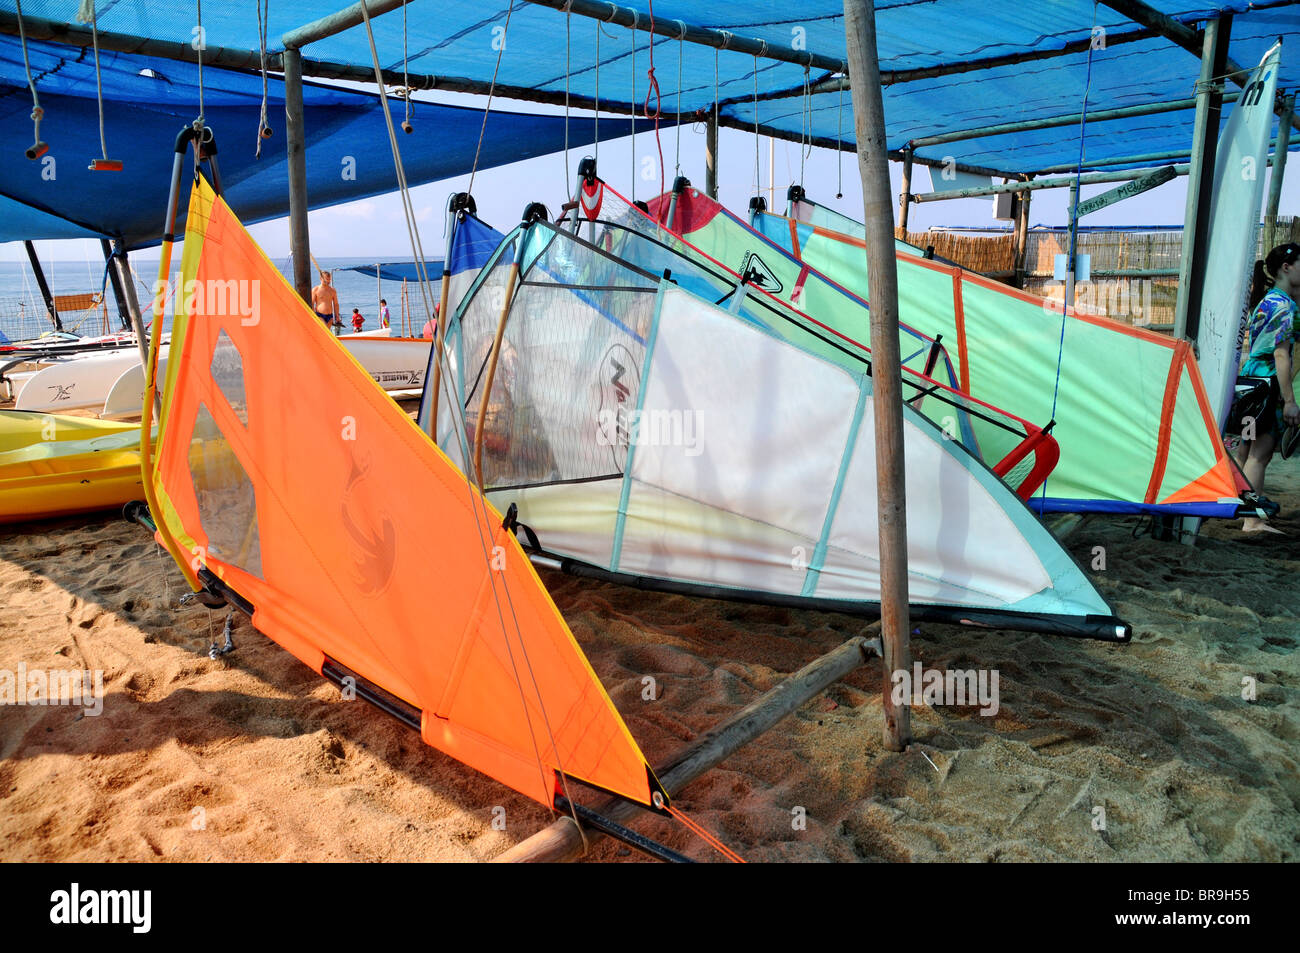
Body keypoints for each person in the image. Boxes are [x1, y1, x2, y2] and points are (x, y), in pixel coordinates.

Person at [1235, 241, 1300, 533]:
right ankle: (1252, 520)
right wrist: (1289, 401)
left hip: (1251, 379)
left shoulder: (1267, 300)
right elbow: (1281, 354)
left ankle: (1243, 511)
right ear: (1287, 268)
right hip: (1268, 383)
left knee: (1246, 449)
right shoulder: (1285, 307)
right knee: (1260, 454)